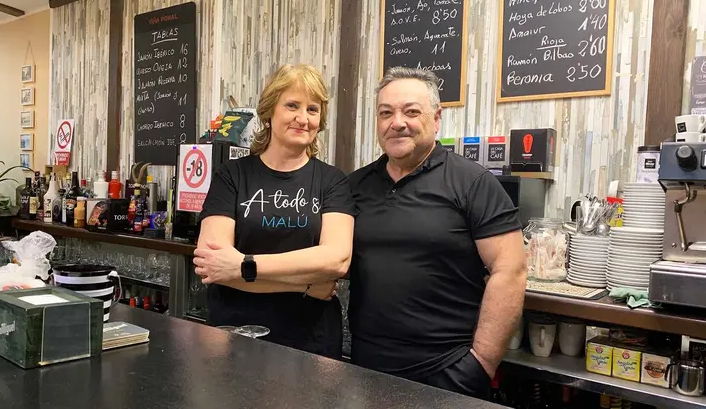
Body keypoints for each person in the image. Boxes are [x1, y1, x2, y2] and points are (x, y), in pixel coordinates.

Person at [347, 66, 527, 397]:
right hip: (365, 366)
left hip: (446, 370)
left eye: (411, 112)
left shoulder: (473, 183)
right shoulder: (355, 185)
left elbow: (511, 270)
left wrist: (480, 364)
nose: (397, 122)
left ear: (436, 119)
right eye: (386, 113)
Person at [193, 64, 356, 359]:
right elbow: (213, 265)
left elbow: (337, 260)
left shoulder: (333, 181)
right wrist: (307, 284)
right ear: (269, 112)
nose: (302, 118)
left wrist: (244, 265)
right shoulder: (231, 175)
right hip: (235, 334)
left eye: (312, 109)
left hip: (310, 341)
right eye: (292, 105)